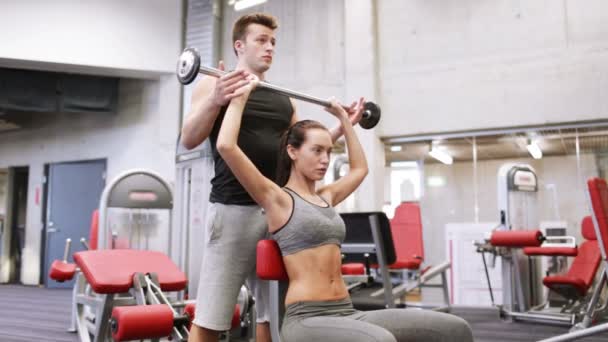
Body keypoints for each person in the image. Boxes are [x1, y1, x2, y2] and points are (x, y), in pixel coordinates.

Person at [215, 76, 475, 342]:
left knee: (455, 328)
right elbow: (226, 145)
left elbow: (360, 169)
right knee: (381, 340)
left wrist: (345, 120)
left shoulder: (327, 196)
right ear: (292, 151)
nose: (325, 160)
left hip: (347, 311)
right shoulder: (277, 199)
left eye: (328, 151)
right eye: (316, 151)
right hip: (306, 319)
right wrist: (239, 97)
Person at [182, 13, 364, 342]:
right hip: (232, 210)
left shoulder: (283, 97)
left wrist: (342, 126)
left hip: (279, 214)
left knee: (272, 314)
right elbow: (189, 139)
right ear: (239, 46)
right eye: (261, 40)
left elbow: (299, 150)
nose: (269, 48)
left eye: (273, 42)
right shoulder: (215, 83)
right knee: (212, 315)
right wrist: (216, 99)